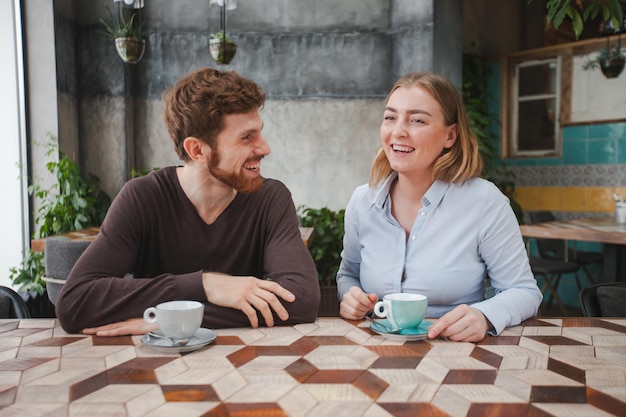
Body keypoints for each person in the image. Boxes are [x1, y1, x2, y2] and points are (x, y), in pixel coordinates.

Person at [56, 68, 320, 336]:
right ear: (197, 149)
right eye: (246, 137)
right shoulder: (142, 197)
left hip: (243, 363)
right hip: (153, 366)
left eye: (259, 133)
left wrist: (173, 320)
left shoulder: (270, 199)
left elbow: (301, 299)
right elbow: (76, 302)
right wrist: (206, 285)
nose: (265, 148)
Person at [337, 72, 542, 342]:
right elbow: (348, 274)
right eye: (390, 117)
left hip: (457, 355)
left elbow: (524, 291)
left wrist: (484, 315)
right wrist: (350, 297)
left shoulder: (484, 202)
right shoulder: (362, 202)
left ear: (450, 136)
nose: (398, 131)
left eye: (417, 120)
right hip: (377, 351)